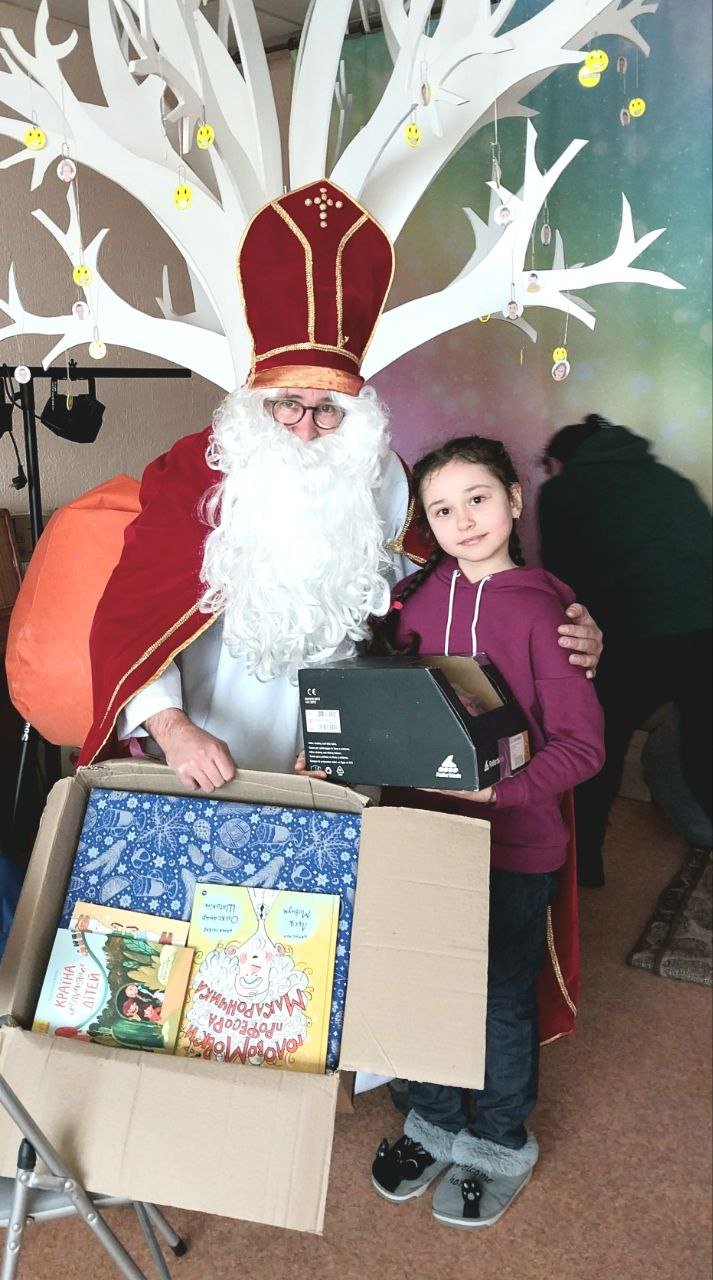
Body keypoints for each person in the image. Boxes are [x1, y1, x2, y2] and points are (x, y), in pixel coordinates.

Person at [78, 181, 602, 779]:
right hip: (200, 747)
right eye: (288, 404)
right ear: (258, 402)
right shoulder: (201, 472)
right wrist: (176, 733)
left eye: (327, 408)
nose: (306, 428)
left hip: (342, 752)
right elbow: (128, 621)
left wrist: (562, 625)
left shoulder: (382, 476)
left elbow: (453, 590)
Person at [367, 435, 605, 1230]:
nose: (463, 520)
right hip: (418, 836)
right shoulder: (410, 601)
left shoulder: (545, 612)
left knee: (501, 995)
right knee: (422, 981)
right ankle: (433, 1121)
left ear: (512, 499)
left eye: (477, 498)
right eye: (441, 509)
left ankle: (499, 1142)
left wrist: (501, 791)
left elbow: (583, 746)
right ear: (425, 525)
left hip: (514, 843)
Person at [538, 414, 712, 886]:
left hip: (639, 637)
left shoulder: (565, 491)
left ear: (561, 460)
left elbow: (565, 583)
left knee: (599, 746)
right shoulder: (669, 479)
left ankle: (585, 866)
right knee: (703, 751)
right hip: (707, 632)